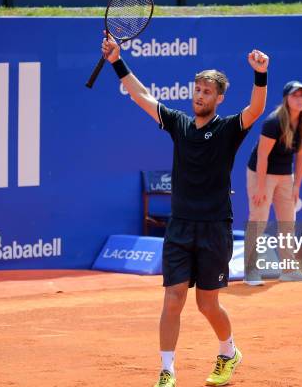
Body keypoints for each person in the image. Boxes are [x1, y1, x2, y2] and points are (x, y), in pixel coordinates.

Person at [100, 32, 269, 387]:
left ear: (219, 98)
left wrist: (260, 74)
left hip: (214, 227)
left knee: (207, 305)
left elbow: (255, 110)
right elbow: (142, 96)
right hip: (180, 227)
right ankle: (167, 371)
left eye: (208, 91)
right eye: (197, 90)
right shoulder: (178, 124)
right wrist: (117, 61)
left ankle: (228, 350)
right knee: (173, 298)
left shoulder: (227, 129)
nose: (200, 95)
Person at [244, 81, 302, 286]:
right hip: (261, 173)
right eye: (294, 95)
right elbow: (263, 155)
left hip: (285, 176)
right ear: (286, 99)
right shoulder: (273, 122)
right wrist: (260, 187)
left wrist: (297, 185)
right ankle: (251, 271)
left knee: (287, 223)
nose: (299, 99)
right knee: (259, 221)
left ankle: (289, 269)